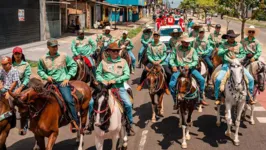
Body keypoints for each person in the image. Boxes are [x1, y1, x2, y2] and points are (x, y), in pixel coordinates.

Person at [87, 42, 135, 136]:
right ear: (108, 52)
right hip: (104, 88)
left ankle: (129, 125)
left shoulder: (123, 61)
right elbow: (98, 74)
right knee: (91, 102)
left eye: (117, 51)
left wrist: (116, 80)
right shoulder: (103, 62)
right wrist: (103, 80)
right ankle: (91, 123)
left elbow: (126, 75)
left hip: (118, 87)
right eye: (113, 51)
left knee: (128, 104)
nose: (115, 53)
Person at [37, 39, 79, 128]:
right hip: (50, 83)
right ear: (48, 47)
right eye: (53, 46)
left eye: (56, 46)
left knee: (69, 100)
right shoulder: (43, 58)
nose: (55, 48)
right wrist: (46, 76)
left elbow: (73, 65)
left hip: (62, 83)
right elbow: (40, 70)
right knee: (39, 99)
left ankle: (75, 121)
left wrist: (68, 77)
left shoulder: (64, 56)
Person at [214, 30, 255, 105]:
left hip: (238, 64)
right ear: (227, 37)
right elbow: (219, 53)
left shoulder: (239, 45)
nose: (232, 38)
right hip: (227, 64)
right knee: (218, 79)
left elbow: (243, 54)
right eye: (230, 37)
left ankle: (249, 98)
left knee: (251, 79)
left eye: (233, 37)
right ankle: (217, 97)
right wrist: (227, 50)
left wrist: (236, 57)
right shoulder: (223, 45)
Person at [169, 36, 208, 110]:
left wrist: (189, 65)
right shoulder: (176, 49)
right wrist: (173, 65)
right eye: (186, 42)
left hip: (190, 69)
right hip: (179, 69)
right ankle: (175, 101)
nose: (187, 43)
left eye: (188, 42)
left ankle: (200, 98)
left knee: (202, 80)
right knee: (171, 84)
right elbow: (171, 59)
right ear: (182, 42)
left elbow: (195, 60)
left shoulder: (192, 50)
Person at [11, 47, 31, 135]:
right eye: (15, 54)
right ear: (13, 55)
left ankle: (24, 125)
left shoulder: (26, 64)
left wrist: (20, 88)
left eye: (19, 53)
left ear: (21, 54)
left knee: (24, 106)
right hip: (11, 88)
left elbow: (27, 78)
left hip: (23, 88)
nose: (17, 55)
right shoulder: (10, 64)